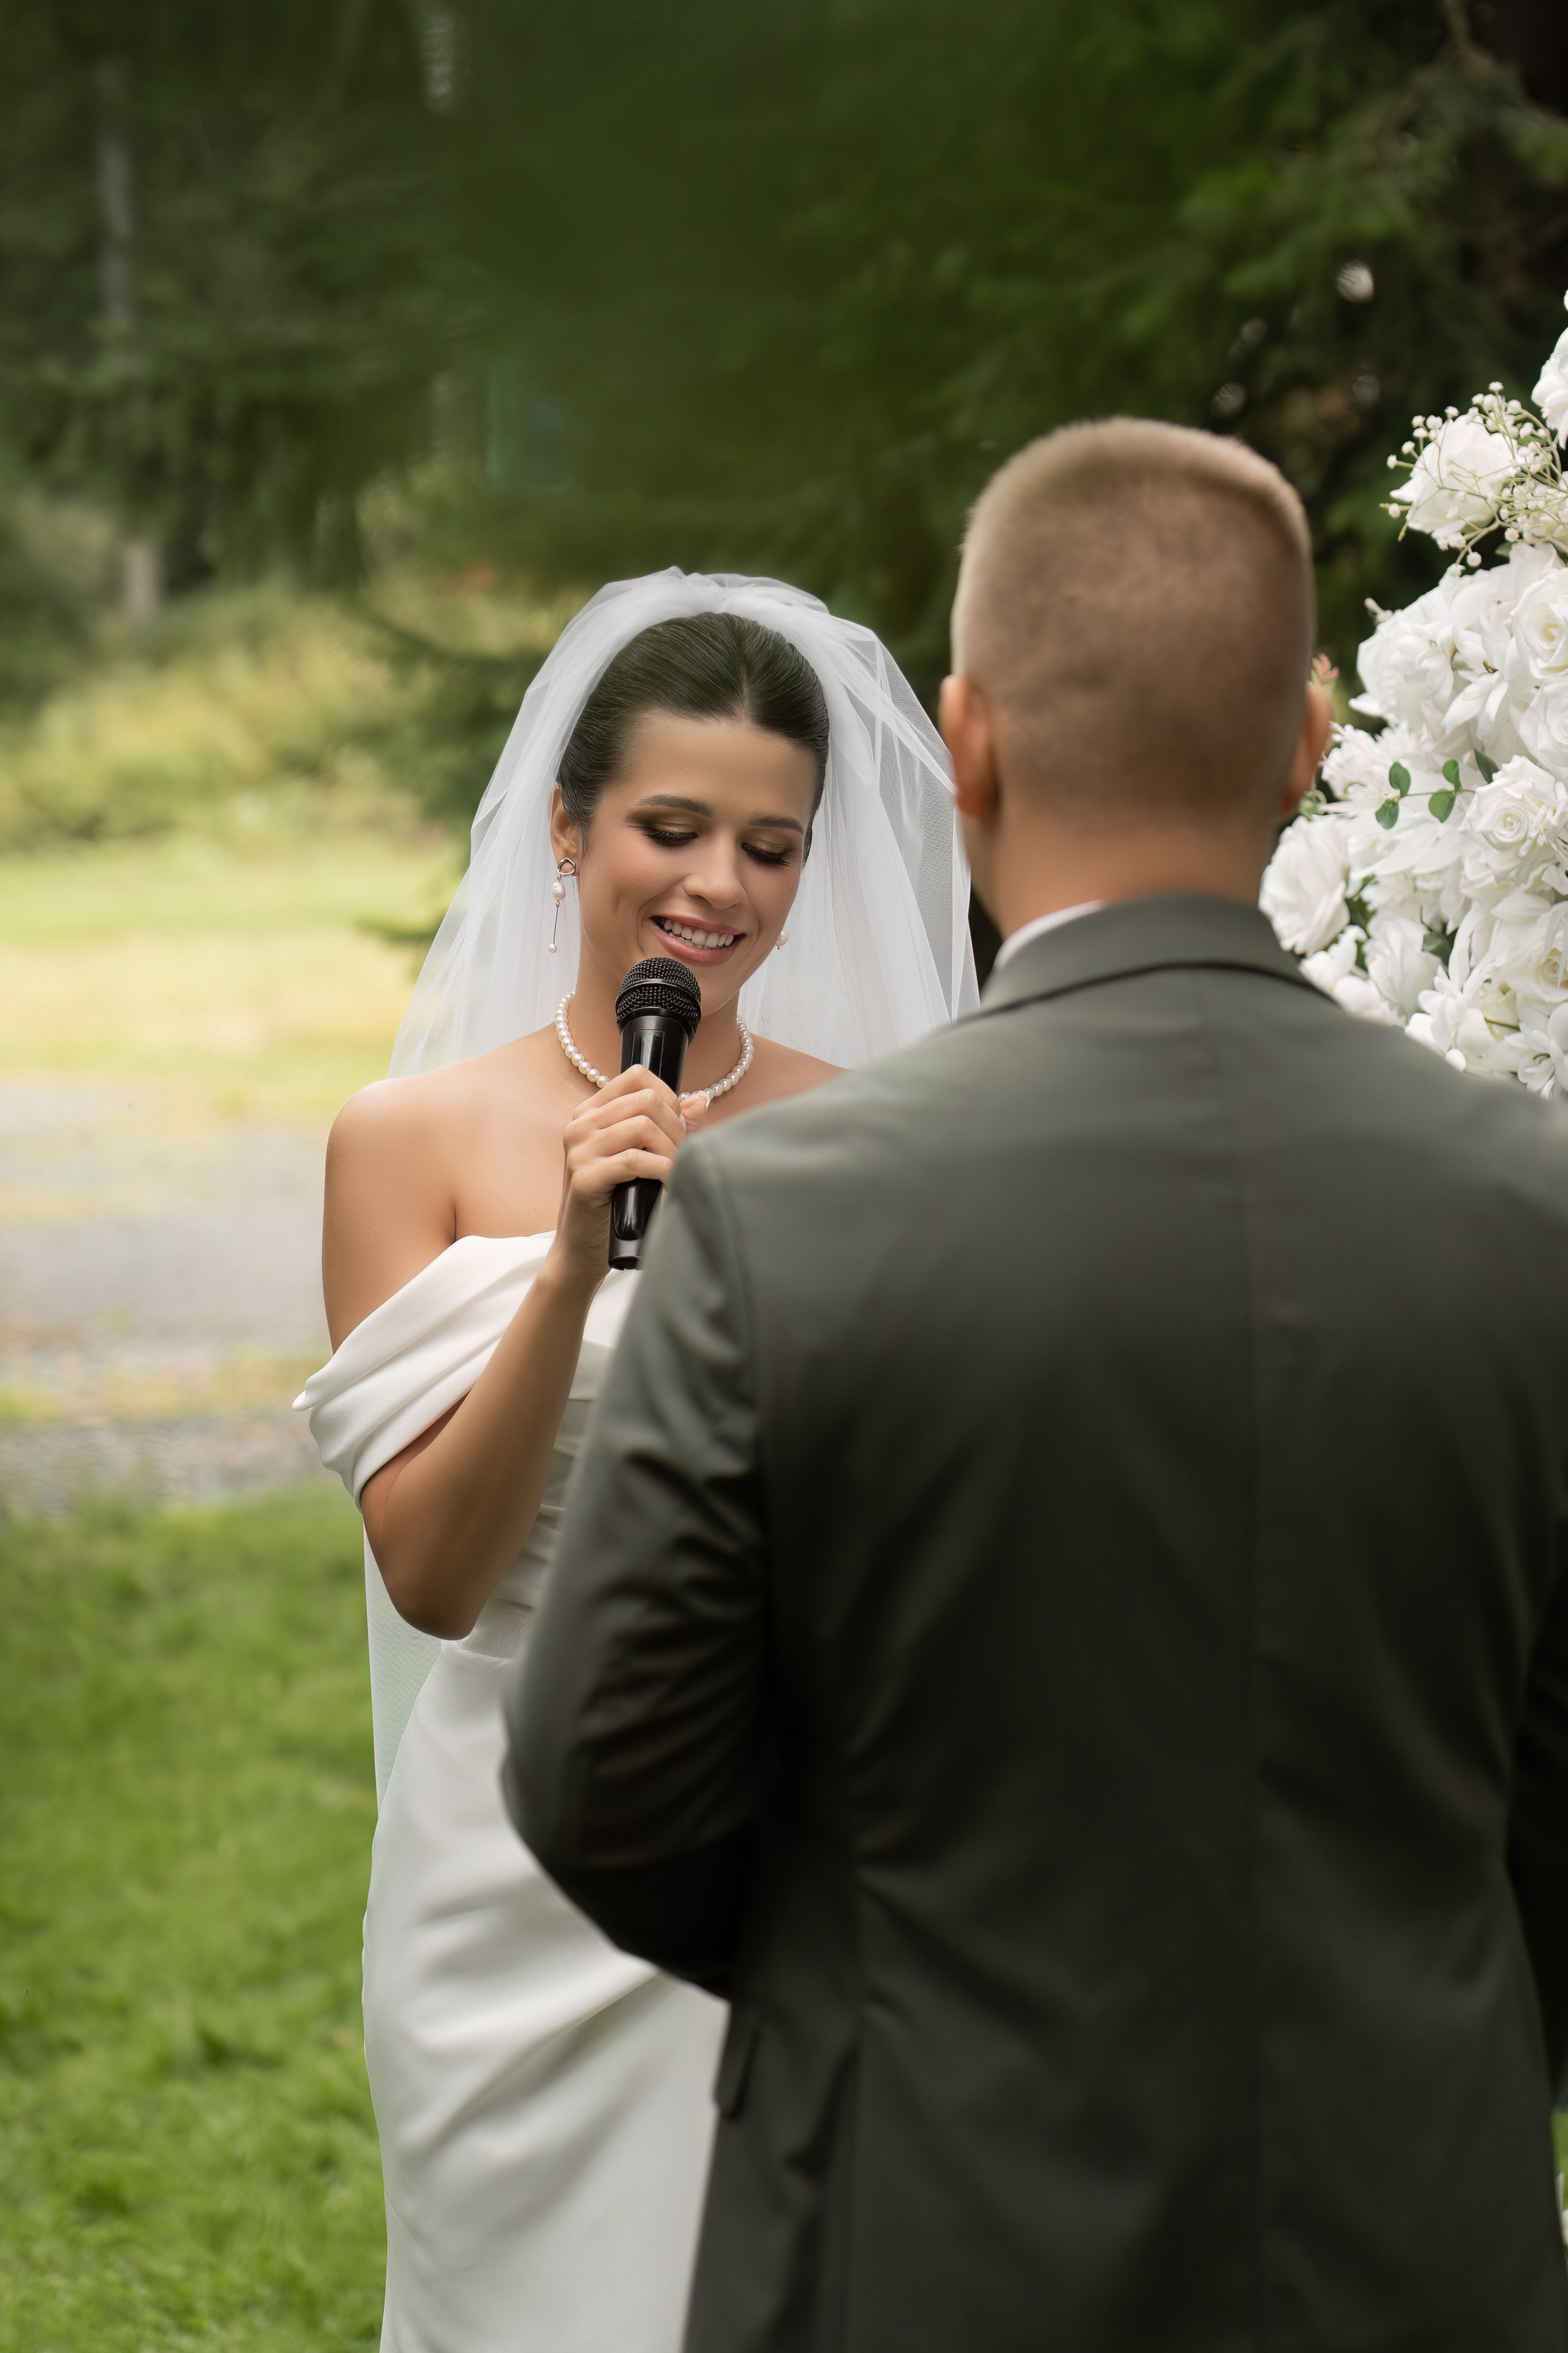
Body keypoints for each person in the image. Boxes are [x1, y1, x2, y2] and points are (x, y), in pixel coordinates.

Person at [505, 423, 1568, 2352]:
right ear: (1314, 735)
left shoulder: (783, 1218)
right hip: (1420, 2248)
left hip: (928, 2235)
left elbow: (603, 1778)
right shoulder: (1534, 1213)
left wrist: (892, 1995)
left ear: (966, 737)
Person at [294, 572, 976, 2353]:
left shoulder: (876, 1136)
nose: (718, 888)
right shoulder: (408, 1143)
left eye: (772, 845)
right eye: (672, 828)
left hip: (788, 1852)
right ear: (565, 823)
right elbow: (436, 1572)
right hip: (503, 1858)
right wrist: (568, 1257)